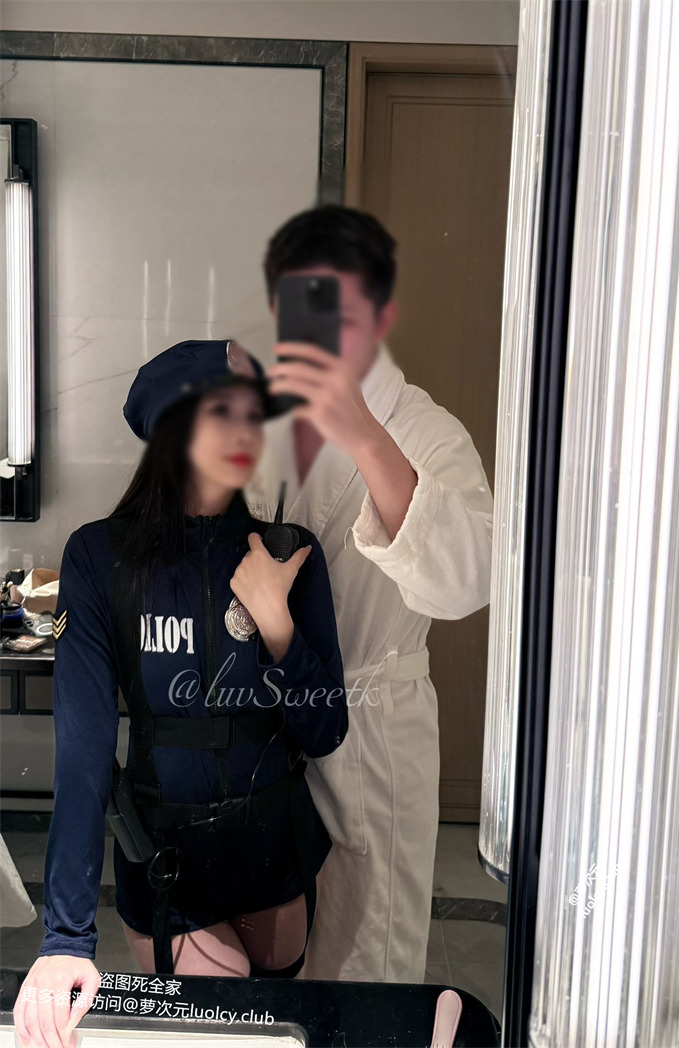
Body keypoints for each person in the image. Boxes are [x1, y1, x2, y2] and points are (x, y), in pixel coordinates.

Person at [14, 339, 347, 1048]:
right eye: (220, 411)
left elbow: (326, 730)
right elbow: (83, 749)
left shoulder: (287, 551)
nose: (245, 430)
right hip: (168, 866)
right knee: (218, 1034)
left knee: (275, 1028)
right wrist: (66, 936)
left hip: (276, 851)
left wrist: (278, 625)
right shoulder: (100, 557)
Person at [246, 205, 493, 983]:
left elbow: (468, 579)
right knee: (278, 960)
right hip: (272, 724)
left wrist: (362, 434)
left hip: (371, 735)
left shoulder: (425, 431)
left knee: (365, 962)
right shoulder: (268, 425)